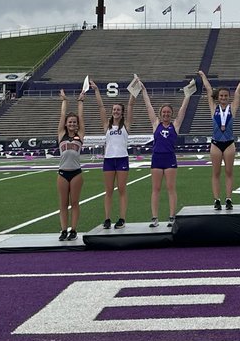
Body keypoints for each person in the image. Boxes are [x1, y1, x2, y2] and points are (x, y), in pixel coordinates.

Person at [140, 83, 193, 227]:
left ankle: (171, 216)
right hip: (157, 158)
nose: (166, 114)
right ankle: (154, 218)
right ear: (160, 113)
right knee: (156, 189)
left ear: (171, 114)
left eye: (168, 112)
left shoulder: (175, 125)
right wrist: (144, 91)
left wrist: (187, 96)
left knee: (171, 188)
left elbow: (183, 110)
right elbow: (148, 106)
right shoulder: (155, 123)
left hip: (170, 158)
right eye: (164, 112)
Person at [198, 68, 240, 210]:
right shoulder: (213, 108)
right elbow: (209, 89)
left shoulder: (232, 108)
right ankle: (216, 200)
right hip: (216, 143)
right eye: (221, 96)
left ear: (228, 97)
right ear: (218, 97)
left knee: (229, 172)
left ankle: (228, 199)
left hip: (229, 144)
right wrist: (203, 76)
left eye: (225, 96)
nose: (223, 98)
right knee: (215, 173)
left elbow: (238, 91)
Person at [93, 81, 136, 229]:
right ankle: (107, 219)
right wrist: (97, 90)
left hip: (122, 158)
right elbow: (100, 107)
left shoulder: (126, 125)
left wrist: (133, 90)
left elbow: (130, 105)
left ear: (122, 112)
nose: (116, 111)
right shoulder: (107, 125)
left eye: (118, 110)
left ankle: (122, 218)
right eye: (114, 109)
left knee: (122, 189)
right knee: (109, 190)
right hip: (109, 160)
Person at [56, 88, 87, 240]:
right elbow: (62, 116)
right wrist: (64, 101)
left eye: (75, 122)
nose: (73, 123)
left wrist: (80, 101)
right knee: (63, 204)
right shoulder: (61, 135)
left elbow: (81, 116)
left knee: (74, 203)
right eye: (70, 122)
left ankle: (73, 230)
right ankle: (63, 230)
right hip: (62, 173)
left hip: (76, 173)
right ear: (66, 124)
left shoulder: (80, 135)